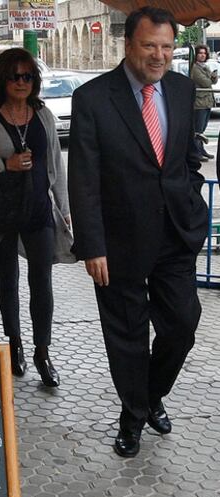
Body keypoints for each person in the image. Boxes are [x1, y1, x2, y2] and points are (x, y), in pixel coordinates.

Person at [68, 6, 208, 457]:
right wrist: (92, 245)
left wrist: (194, 201)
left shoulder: (183, 89)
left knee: (183, 325)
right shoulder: (92, 98)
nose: (159, 55)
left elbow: (189, 155)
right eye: (150, 45)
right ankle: (133, 417)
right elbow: (83, 179)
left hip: (175, 235)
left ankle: (150, 396)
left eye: (167, 47)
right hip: (118, 242)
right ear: (128, 44)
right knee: (127, 335)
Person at [0, 48, 75, 387]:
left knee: (42, 282)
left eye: (28, 76)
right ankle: (14, 344)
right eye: (15, 76)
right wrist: (2, 164)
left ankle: (43, 350)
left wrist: (65, 211)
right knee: (7, 282)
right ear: (1, 79)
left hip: (38, 211)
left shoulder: (43, 115)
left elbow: (55, 166)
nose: (21, 82)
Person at [190, 45, 217, 161]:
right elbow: (206, 82)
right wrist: (211, 77)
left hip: (207, 102)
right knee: (198, 129)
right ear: (196, 54)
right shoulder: (196, 68)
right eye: (200, 53)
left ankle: (201, 150)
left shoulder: (204, 67)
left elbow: (214, 81)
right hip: (200, 102)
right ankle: (196, 152)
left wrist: (213, 76)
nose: (202, 55)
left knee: (203, 128)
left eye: (204, 53)